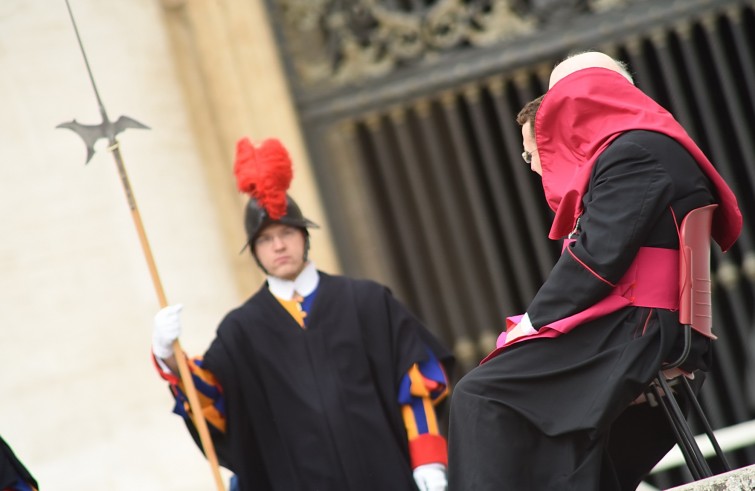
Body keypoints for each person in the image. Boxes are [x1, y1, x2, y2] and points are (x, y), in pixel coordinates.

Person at [448, 51, 742, 490]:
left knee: (479, 394)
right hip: (648, 327)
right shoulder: (647, 145)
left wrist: (531, 324)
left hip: (638, 330)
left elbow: (596, 260)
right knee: (549, 426)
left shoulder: (633, 151)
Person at [151, 137, 454, 491]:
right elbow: (213, 402)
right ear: (254, 251)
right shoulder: (240, 331)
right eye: (265, 239)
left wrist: (429, 459)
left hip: (386, 475)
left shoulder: (367, 301)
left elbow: (416, 383)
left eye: (286, 233)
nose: (278, 245)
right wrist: (168, 355)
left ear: (304, 236)